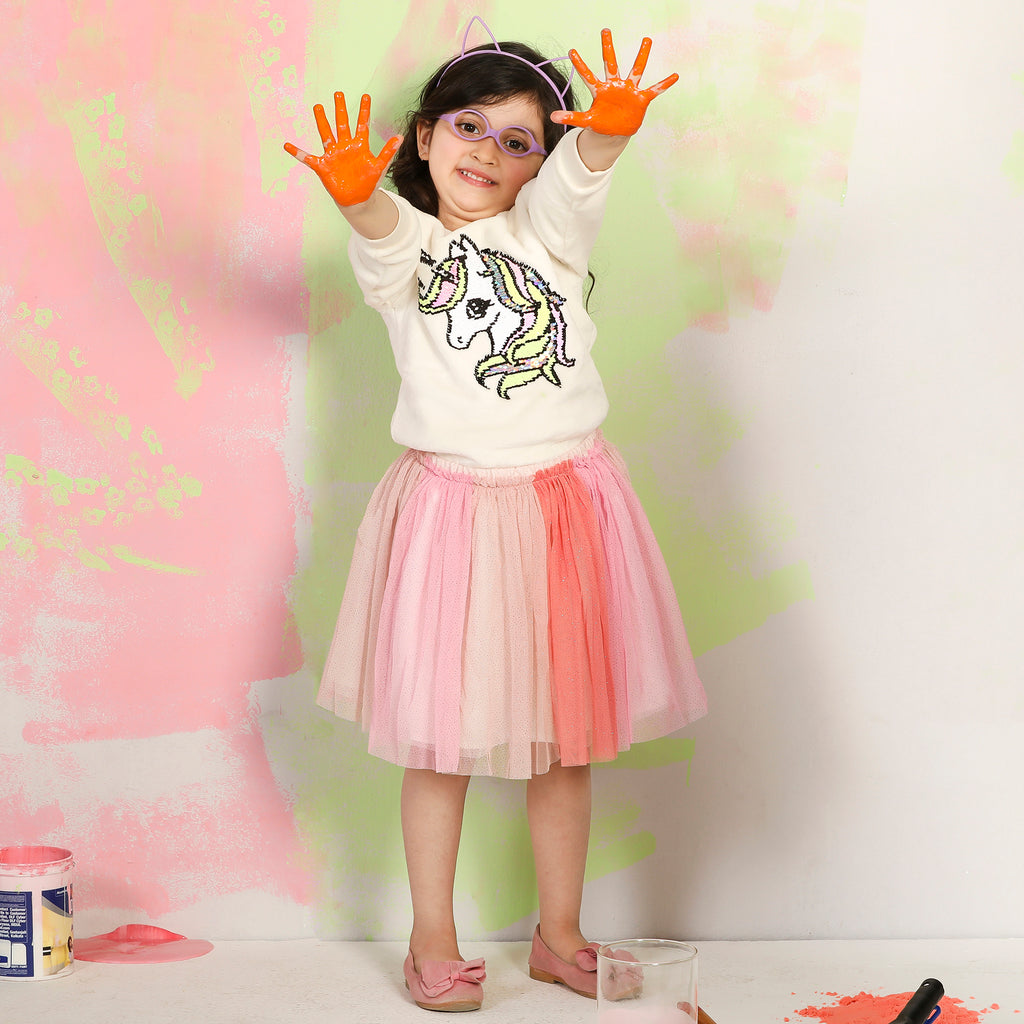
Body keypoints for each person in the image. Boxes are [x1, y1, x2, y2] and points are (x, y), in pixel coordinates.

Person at [285, 19, 708, 1012]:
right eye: (467, 126)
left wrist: (604, 138)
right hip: (455, 514)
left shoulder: (547, 234)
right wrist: (356, 198)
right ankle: (431, 935)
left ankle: (559, 936)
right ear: (424, 136)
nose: (486, 151)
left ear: (538, 165)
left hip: (567, 503)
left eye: (518, 141)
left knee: (567, 742)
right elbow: (385, 239)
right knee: (440, 743)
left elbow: (577, 185)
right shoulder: (412, 253)